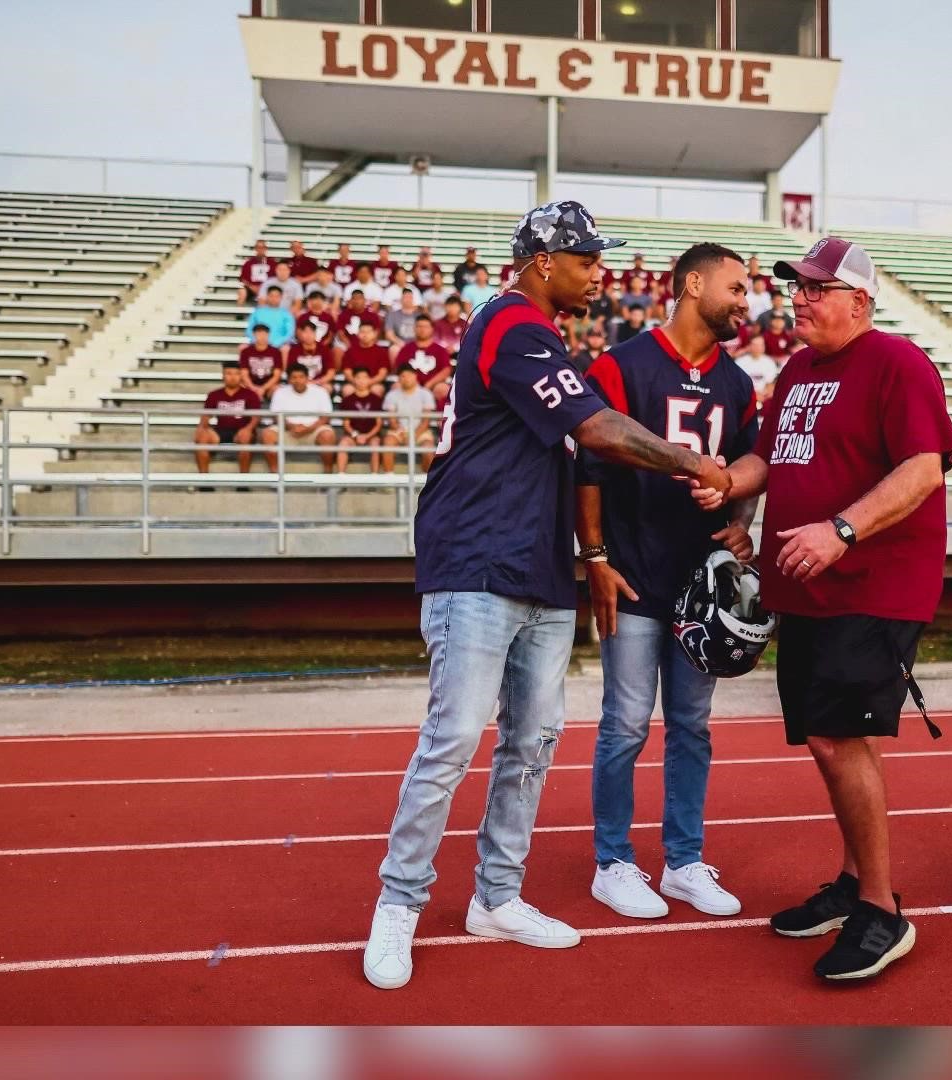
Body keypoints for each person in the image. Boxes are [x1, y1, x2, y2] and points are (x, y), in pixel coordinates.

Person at [364, 200, 732, 991]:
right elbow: (598, 431)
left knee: (531, 744)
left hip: (538, 565)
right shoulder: (510, 323)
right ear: (542, 261)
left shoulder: (544, 336)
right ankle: (398, 904)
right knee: (455, 737)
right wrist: (693, 463)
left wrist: (590, 553)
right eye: (586, 257)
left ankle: (497, 896)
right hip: (477, 559)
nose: (600, 271)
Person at [690, 236, 952, 983]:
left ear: (860, 301)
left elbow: (924, 469)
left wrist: (843, 530)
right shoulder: (800, 369)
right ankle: (852, 881)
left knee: (841, 740)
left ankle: (881, 908)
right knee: (823, 740)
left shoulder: (898, 363)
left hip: (872, 583)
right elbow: (770, 460)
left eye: (816, 287)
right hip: (803, 585)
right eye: (798, 286)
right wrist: (725, 485)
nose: (800, 298)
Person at [578, 243, 761, 923]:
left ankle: (683, 861)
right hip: (632, 571)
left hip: (700, 586)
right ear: (692, 284)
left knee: (692, 725)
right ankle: (613, 861)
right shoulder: (622, 364)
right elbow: (591, 466)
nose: (746, 301)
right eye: (736, 287)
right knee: (625, 723)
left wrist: (742, 522)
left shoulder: (737, 383)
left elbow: (749, 463)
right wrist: (595, 557)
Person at [260, 363, 337, 473]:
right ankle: (275, 476)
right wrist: (291, 426)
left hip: (313, 431)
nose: (298, 380)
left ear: (307, 378)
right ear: (289, 380)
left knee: (328, 435)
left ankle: (328, 475)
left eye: (301, 377)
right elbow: (276, 417)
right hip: (288, 431)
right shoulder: (280, 392)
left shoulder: (320, 392)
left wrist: (308, 429)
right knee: (267, 434)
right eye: (294, 377)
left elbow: (325, 418)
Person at [194, 362, 261, 474]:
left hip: (242, 430)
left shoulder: (250, 394)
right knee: (202, 437)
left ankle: (243, 482)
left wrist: (248, 429)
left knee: (245, 437)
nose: (233, 377)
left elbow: (256, 417)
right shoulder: (214, 395)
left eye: (236, 374)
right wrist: (202, 428)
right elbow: (206, 416)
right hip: (221, 430)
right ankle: (204, 481)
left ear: (241, 376)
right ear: (223, 376)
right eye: (228, 373)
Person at [382, 366, 438, 472]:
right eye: (403, 376)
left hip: (421, 432)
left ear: (415, 376)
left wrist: (413, 436)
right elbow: (392, 420)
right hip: (399, 431)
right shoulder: (392, 395)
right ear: (399, 378)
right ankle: (389, 484)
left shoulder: (425, 394)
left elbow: (425, 421)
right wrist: (404, 434)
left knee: (428, 449)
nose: (406, 378)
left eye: (409, 375)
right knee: (388, 443)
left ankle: (425, 483)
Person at [335, 366, 386, 473]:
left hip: (372, 436)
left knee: (376, 445)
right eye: (358, 377)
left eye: (365, 377)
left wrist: (367, 436)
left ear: (369, 379)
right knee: (342, 444)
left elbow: (378, 423)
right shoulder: (347, 400)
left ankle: (374, 480)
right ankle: (340, 479)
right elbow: (346, 423)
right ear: (354, 379)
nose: (362, 381)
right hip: (352, 436)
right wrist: (356, 435)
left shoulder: (376, 399)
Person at [395, 314, 453, 404]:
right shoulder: (406, 349)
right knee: (396, 387)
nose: (422, 329)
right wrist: (413, 385)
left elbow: (446, 370)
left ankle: (440, 417)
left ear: (432, 329)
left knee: (443, 389)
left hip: (433, 385)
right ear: (414, 328)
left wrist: (429, 384)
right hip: (409, 384)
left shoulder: (440, 350)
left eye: (426, 326)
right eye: (419, 326)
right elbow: (399, 369)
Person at [237, 322, 285, 401]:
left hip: (269, 386)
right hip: (251, 385)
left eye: (264, 334)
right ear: (254, 334)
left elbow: (277, 375)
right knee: (239, 386)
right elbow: (244, 373)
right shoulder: (246, 351)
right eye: (258, 334)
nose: (261, 336)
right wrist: (253, 388)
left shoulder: (275, 352)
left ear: (268, 334)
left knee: (278, 389)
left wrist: (263, 388)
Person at [285, 319, 336, 387]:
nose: (308, 335)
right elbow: (290, 371)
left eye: (311, 332)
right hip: (299, 383)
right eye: (305, 332)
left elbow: (331, 372)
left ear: (315, 334)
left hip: (319, 382)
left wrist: (317, 382)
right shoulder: (294, 349)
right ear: (301, 334)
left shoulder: (324, 349)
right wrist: (302, 382)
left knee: (328, 387)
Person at [340, 320, 392, 385]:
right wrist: (357, 382)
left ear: (375, 333)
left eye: (369, 332)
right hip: (354, 383)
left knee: (377, 390)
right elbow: (347, 371)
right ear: (358, 333)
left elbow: (382, 373)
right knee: (347, 390)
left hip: (374, 383)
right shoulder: (350, 351)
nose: (365, 334)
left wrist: (369, 382)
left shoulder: (381, 351)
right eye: (362, 332)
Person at [734, 332, 781, 403]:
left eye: (761, 345)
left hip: (763, 398)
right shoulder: (740, 362)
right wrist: (753, 395)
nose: (758, 348)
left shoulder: (769, 363)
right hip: (744, 398)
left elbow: (770, 384)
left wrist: (762, 394)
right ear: (749, 346)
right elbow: (736, 384)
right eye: (755, 345)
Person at [238, 239, 273, 304]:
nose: (260, 249)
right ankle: (239, 312)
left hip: (267, 288)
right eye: (258, 247)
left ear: (266, 249)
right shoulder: (249, 263)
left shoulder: (272, 262)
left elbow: (275, 278)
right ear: (255, 249)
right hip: (251, 288)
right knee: (241, 291)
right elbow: (243, 279)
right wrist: (252, 287)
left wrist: (263, 287)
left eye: (262, 247)